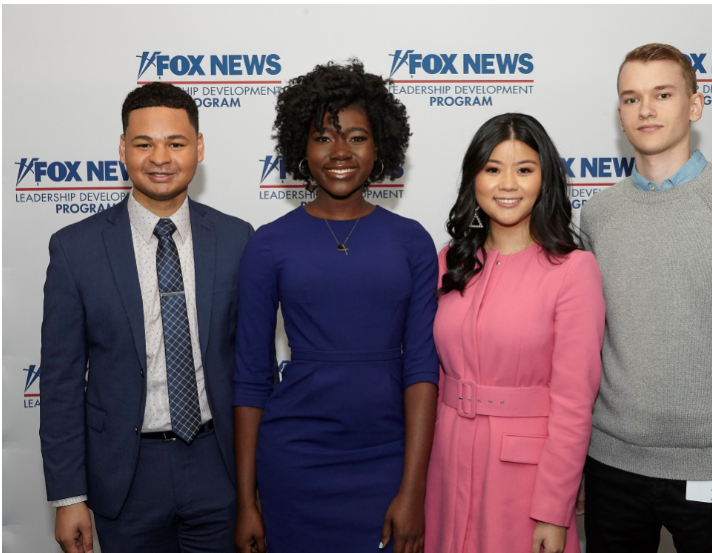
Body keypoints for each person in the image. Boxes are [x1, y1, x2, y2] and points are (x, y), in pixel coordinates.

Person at [579, 43, 712, 553]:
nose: (646, 109)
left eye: (663, 94)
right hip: (610, 468)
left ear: (695, 105)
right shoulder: (598, 214)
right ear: (620, 115)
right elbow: (583, 349)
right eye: (631, 98)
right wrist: (574, 465)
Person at [233, 60, 439, 553]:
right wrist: (245, 501)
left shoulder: (412, 241)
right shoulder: (268, 244)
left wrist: (414, 489)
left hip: (389, 457)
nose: (340, 151)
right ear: (301, 149)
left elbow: (421, 368)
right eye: (323, 137)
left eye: (356, 137)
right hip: (295, 461)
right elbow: (250, 378)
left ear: (379, 147)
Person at [39, 82, 254, 553]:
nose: (160, 158)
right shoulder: (75, 249)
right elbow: (60, 383)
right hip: (125, 474)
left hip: (219, 467)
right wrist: (69, 496)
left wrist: (258, 479)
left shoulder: (238, 239)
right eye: (143, 144)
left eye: (175, 143)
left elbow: (253, 369)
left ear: (198, 147)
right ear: (123, 149)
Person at [424, 113, 605, 553]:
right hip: (447, 464)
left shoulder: (573, 270)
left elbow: (574, 403)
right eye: (492, 169)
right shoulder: (450, 260)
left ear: (545, 180)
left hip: (524, 480)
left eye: (524, 169)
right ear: (474, 178)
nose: (507, 184)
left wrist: (553, 509)